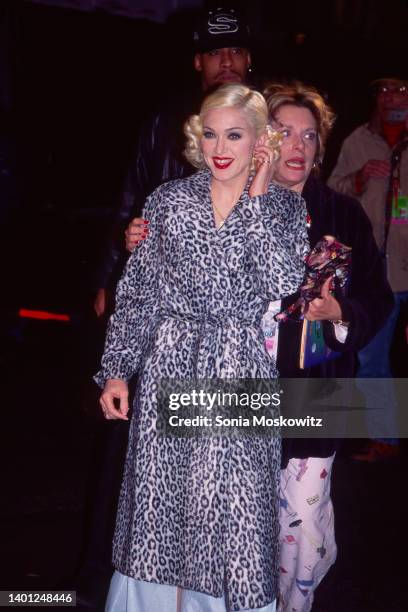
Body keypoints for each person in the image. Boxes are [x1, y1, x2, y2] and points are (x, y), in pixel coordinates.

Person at [125, 81, 394, 612]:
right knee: (223, 532)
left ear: (322, 148)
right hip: (230, 392)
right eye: (283, 132)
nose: (297, 146)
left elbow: (377, 298)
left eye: (310, 136)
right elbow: (170, 266)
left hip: (312, 396)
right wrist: (140, 235)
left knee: (305, 540)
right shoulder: (219, 198)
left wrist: (341, 312)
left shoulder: (343, 216)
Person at [95, 83, 309, 612]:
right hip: (171, 361)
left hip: (239, 367)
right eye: (210, 133)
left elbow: (281, 279)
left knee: (233, 511)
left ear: (261, 141)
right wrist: (118, 370)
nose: (220, 146)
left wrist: (258, 193)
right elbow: (140, 293)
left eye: (235, 135)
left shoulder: (282, 208)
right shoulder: (168, 201)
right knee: (161, 513)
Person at [94, 6, 252, 318]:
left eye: (235, 50)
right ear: (197, 62)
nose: (226, 61)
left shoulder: (269, 124)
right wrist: (108, 279)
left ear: (249, 59)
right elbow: (132, 198)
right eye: (213, 52)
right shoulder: (164, 122)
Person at [328, 77, 408, 461]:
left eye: (402, 90)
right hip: (378, 272)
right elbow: (332, 190)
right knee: (371, 357)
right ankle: (386, 439)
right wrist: (358, 178)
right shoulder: (357, 140)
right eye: (385, 90)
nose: (393, 97)